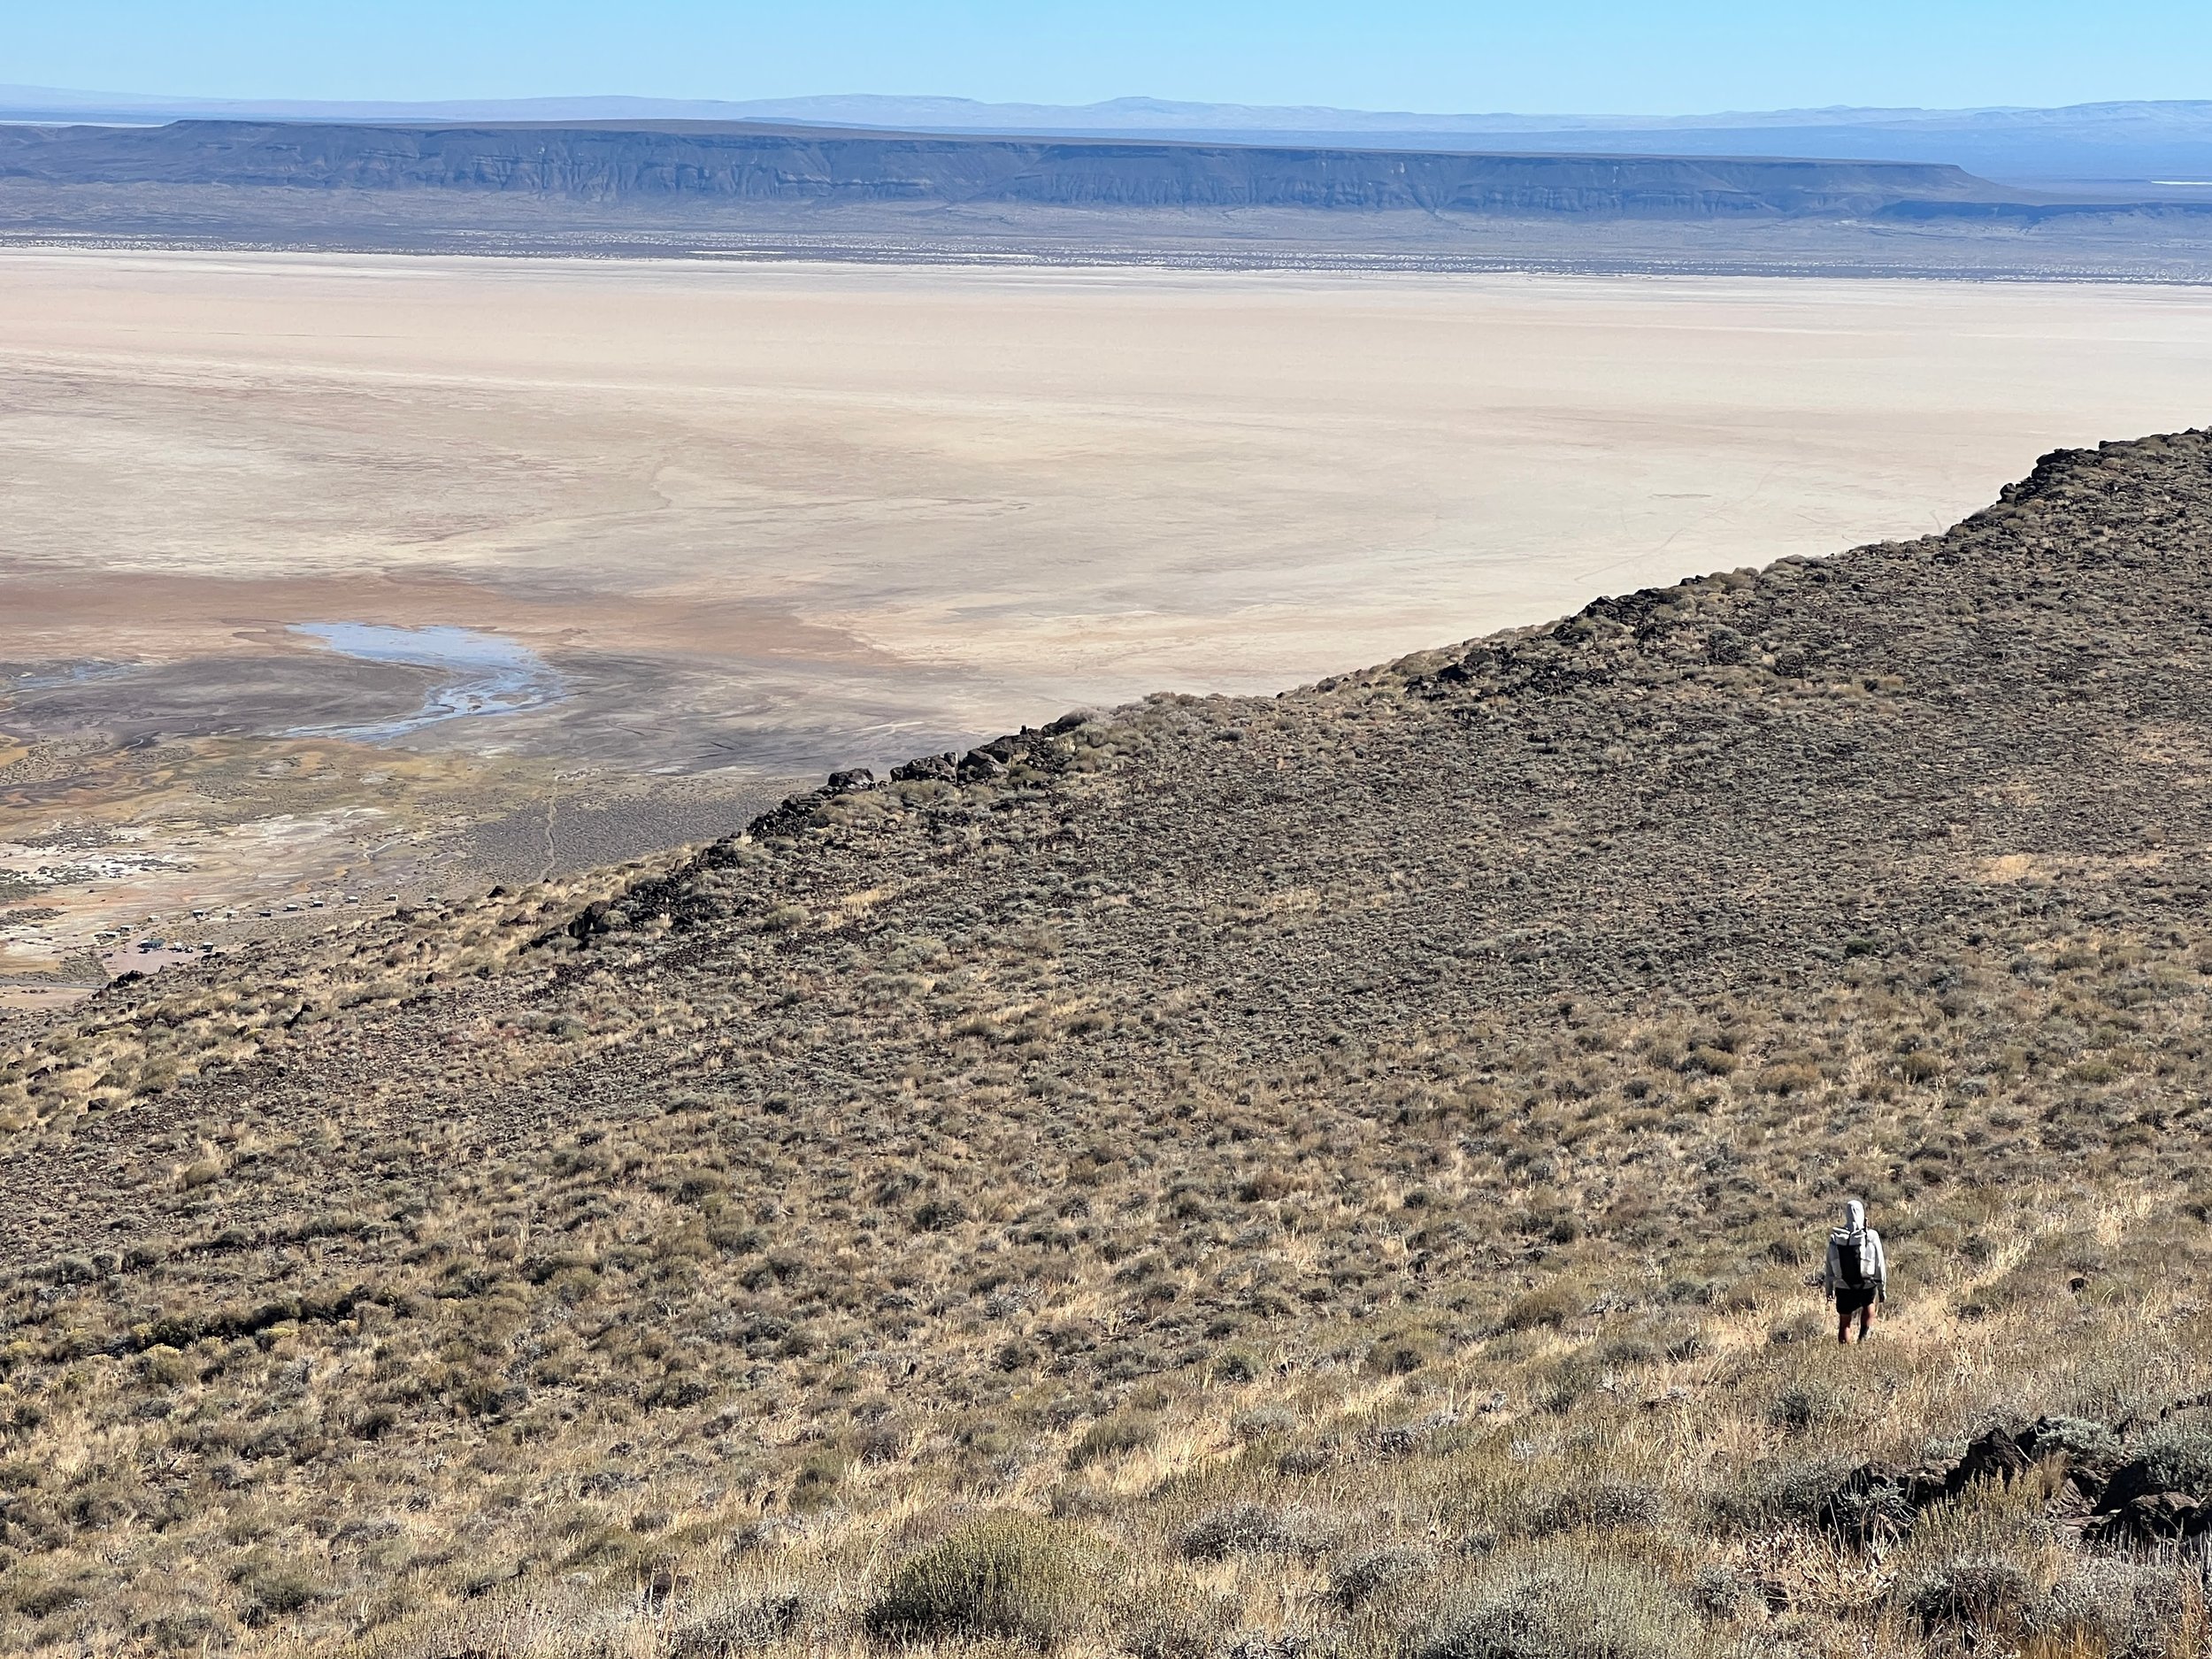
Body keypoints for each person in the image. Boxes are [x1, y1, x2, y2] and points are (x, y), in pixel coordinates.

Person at [1824, 1199, 1887, 1345]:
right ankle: (1863, 1340)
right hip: (1867, 1283)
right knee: (1869, 1305)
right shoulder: (1871, 1236)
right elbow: (1879, 1263)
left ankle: (1844, 1350)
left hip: (1843, 1285)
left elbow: (1829, 1265)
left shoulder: (1837, 1237)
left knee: (1844, 1322)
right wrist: (1882, 1288)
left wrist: (1829, 1289)